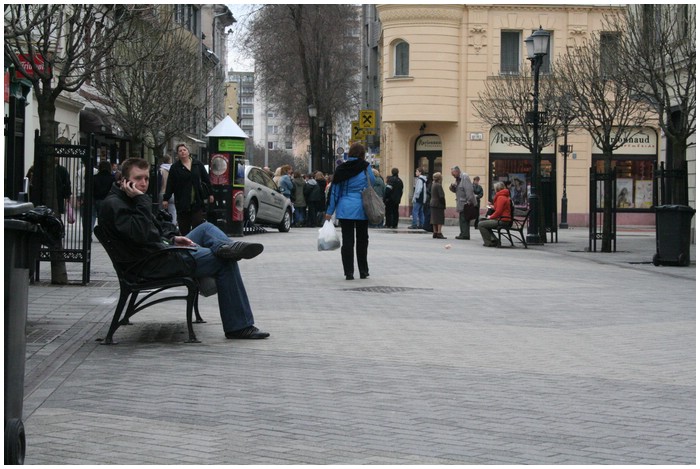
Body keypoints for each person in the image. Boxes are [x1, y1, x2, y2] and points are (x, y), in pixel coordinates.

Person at [99, 157, 269, 340]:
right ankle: (239, 326)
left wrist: (173, 238)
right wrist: (142, 202)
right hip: (153, 262)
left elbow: (153, 230)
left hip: (159, 251)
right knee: (225, 262)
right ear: (123, 180)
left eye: (146, 179)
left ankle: (227, 246)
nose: (143, 183)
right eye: (138, 178)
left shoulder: (128, 199)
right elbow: (140, 234)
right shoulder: (117, 205)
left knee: (205, 228)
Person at [325, 143, 374, 280]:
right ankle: (363, 271)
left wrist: (329, 211)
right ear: (362, 154)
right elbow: (373, 180)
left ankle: (349, 272)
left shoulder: (341, 169)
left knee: (347, 240)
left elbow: (334, 191)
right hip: (362, 207)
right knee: (362, 239)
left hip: (345, 208)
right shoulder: (365, 167)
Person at [162, 143, 213, 235]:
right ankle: (186, 246)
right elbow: (170, 184)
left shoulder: (197, 164)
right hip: (182, 201)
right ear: (177, 154)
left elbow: (206, 179)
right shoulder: (175, 167)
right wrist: (166, 198)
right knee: (184, 227)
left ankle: (196, 246)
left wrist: (210, 194)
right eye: (180, 151)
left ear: (189, 152)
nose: (182, 152)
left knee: (197, 225)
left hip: (197, 200)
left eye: (184, 150)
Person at [478, 181, 512, 247]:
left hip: (502, 220)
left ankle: (489, 242)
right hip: (504, 219)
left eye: (494, 188)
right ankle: (494, 240)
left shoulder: (500, 197)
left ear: (497, 189)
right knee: (482, 220)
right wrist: (493, 207)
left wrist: (490, 217)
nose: (494, 190)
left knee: (481, 224)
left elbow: (498, 212)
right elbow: (501, 209)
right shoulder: (504, 196)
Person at [449, 166, 477, 240]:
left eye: (453, 174)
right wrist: (452, 187)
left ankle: (465, 234)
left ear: (457, 171)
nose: (453, 175)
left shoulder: (464, 177)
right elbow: (456, 190)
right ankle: (463, 233)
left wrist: (469, 201)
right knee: (462, 218)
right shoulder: (457, 179)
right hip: (461, 202)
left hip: (465, 202)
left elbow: (469, 190)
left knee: (464, 218)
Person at [92, 160, 115, 232]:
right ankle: (103, 233)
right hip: (107, 200)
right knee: (103, 218)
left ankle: (88, 233)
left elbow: (91, 189)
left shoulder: (94, 177)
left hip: (95, 199)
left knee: (92, 217)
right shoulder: (112, 178)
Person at [159, 155, 177, 224]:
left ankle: (163, 226)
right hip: (172, 194)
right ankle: (173, 225)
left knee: (161, 211)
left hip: (162, 193)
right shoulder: (174, 169)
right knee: (173, 211)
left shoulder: (161, 170)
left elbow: (159, 183)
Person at [429, 172, 446, 239]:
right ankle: (439, 232)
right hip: (438, 204)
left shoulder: (433, 184)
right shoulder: (439, 185)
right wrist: (444, 204)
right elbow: (441, 196)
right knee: (439, 219)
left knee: (434, 219)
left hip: (432, 203)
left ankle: (435, 232)